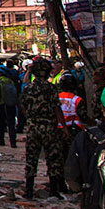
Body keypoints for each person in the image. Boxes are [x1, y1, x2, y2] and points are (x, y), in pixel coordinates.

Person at [22, 58, 66, 200]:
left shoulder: (28, 88)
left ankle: (29, 190)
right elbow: (57, 108)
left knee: (31, 158)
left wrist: (30, 118)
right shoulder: (51, 88)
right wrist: (64, 127)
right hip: (49, 127)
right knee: (53, 158)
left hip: (33, 127)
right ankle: (54, 190)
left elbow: (23, 106)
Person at [0, 64, 21, 147]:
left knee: (1, 124)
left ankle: (1, 140)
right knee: (11, 124)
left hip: (2, 105)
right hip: (11, 105)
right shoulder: (10, 81)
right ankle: (13, 142)